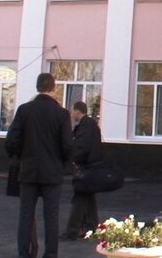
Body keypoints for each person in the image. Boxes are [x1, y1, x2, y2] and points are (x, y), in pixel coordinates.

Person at [6, 73, 73, 258]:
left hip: (28, 171)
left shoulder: (24, 110)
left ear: (37, 88)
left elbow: (12, 140)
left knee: (25, 216)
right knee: (51, 217)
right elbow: (68, 145)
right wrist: (62, 163)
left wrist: (19, 156)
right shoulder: (62, 114)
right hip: (52, 173)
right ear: (54, 88)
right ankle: (50, 254)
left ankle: (23, 254)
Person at [62, 101, 103, 240]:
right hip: (91, 167)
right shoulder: (91, 125)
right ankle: (92, 227)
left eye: (72, 111)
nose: (71, 114)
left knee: (79, 198)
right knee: (88, 197)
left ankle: (72, 231)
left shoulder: (85, 126)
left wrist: (74, 160)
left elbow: (81, 147)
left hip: (86, 168)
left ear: (77, 111)